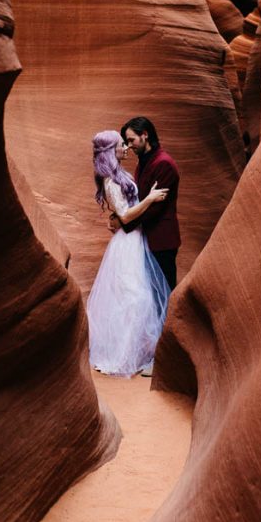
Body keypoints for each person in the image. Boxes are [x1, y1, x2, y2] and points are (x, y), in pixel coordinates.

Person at [86, 130, 171, 377]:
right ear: (111, 150)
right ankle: (123, 356)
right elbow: (124, 215)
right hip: (127, 243)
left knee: (135, 296)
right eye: (121, 144)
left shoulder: (118, 175)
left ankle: (134, 353)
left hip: (134, 239)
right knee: (132, 296)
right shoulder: (110, 180)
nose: (126, 147)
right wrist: (150, 200)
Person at [120, 116, 181, 291]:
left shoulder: (164, 164)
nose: (129, 145)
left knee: (164, 292)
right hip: (147, 237)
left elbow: (155, 208)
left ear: (145, 135)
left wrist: (124, 222)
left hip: (162, 240)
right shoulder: (144, 161)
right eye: (126, 141)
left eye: (131, 140)